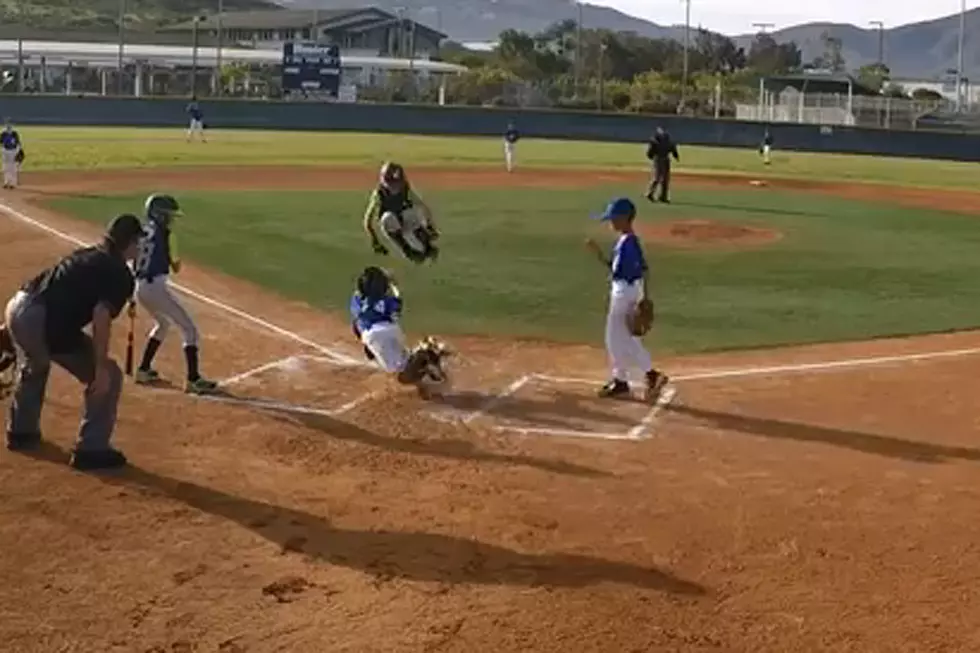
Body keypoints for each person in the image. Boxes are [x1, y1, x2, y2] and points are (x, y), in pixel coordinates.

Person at [3, 214, 143, 470]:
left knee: (36, 364)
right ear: (130, 243)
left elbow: (48, 287)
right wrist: (99, 368)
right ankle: (92, 448)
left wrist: (10, 333)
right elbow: (102, 316)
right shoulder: (120, 274)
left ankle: (21, 433)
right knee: (109, 376)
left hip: (16, 308)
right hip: (42, 322)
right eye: (138, 242)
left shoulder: (87, 254)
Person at [585, 197, 673, 403]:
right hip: (627, 291)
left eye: (614, 218)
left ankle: (630, 379)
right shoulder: (628, 240)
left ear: (625, 218)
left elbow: (632, 273)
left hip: (624, 294)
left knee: (614, 338)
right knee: (624, 338)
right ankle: (638, 377)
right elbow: (636, 270)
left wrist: (642, 298)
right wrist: (599, 256)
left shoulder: (629, 243)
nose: (611, 222)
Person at [132, 193, 218, 395]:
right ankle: (193, 379)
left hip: (140, 288)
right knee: (190, 330)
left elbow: (134, 261)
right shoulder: (167, 236)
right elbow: (176, 266)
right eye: (168, 216)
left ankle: (144, 370)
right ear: (160, 215)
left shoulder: (142, 232)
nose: (171, 220)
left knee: (163, 324)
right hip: (156, 288)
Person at [349, 266, 450, 396]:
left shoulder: (355, 300)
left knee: (401, 372)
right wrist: (394, 285)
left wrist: (366, 345)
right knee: (405, 364)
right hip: (389, 331)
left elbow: (357, 321)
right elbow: (397, 304)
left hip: (370, 335)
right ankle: (427, 357)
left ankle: (424, 356)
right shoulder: (386, 302)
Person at [363, 162, 440, 264]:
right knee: (388, 218)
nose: (395, 186)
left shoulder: (406, 190)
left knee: (410, 214)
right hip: (391, 223)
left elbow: (422, 206)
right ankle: (407, 250)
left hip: (405, 219)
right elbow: (367, 220)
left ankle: (427, 245)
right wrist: (374, 240)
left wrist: (430, 225)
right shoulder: (379, 193)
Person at [645, 127, 679, 203]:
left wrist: (675, 155)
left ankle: (663, 196)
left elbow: (672, 147)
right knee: (657, 177)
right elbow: (650, 151)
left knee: (665, 179)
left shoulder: (666, 139)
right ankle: (650, 193)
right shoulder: (655, 140)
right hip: (659, 159)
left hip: (665, 159)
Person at [1, 119, 23, 189]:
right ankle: (6, 182)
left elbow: (18, 143)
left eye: (10, 124)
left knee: (12, 167)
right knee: (5, 167)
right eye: (7, 124)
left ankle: (13, 183)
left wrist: (19, 150)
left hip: (13, 151)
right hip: (5, 151)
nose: (8, 126)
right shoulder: (3, 134)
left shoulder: (14, 134)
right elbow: (1, 142)